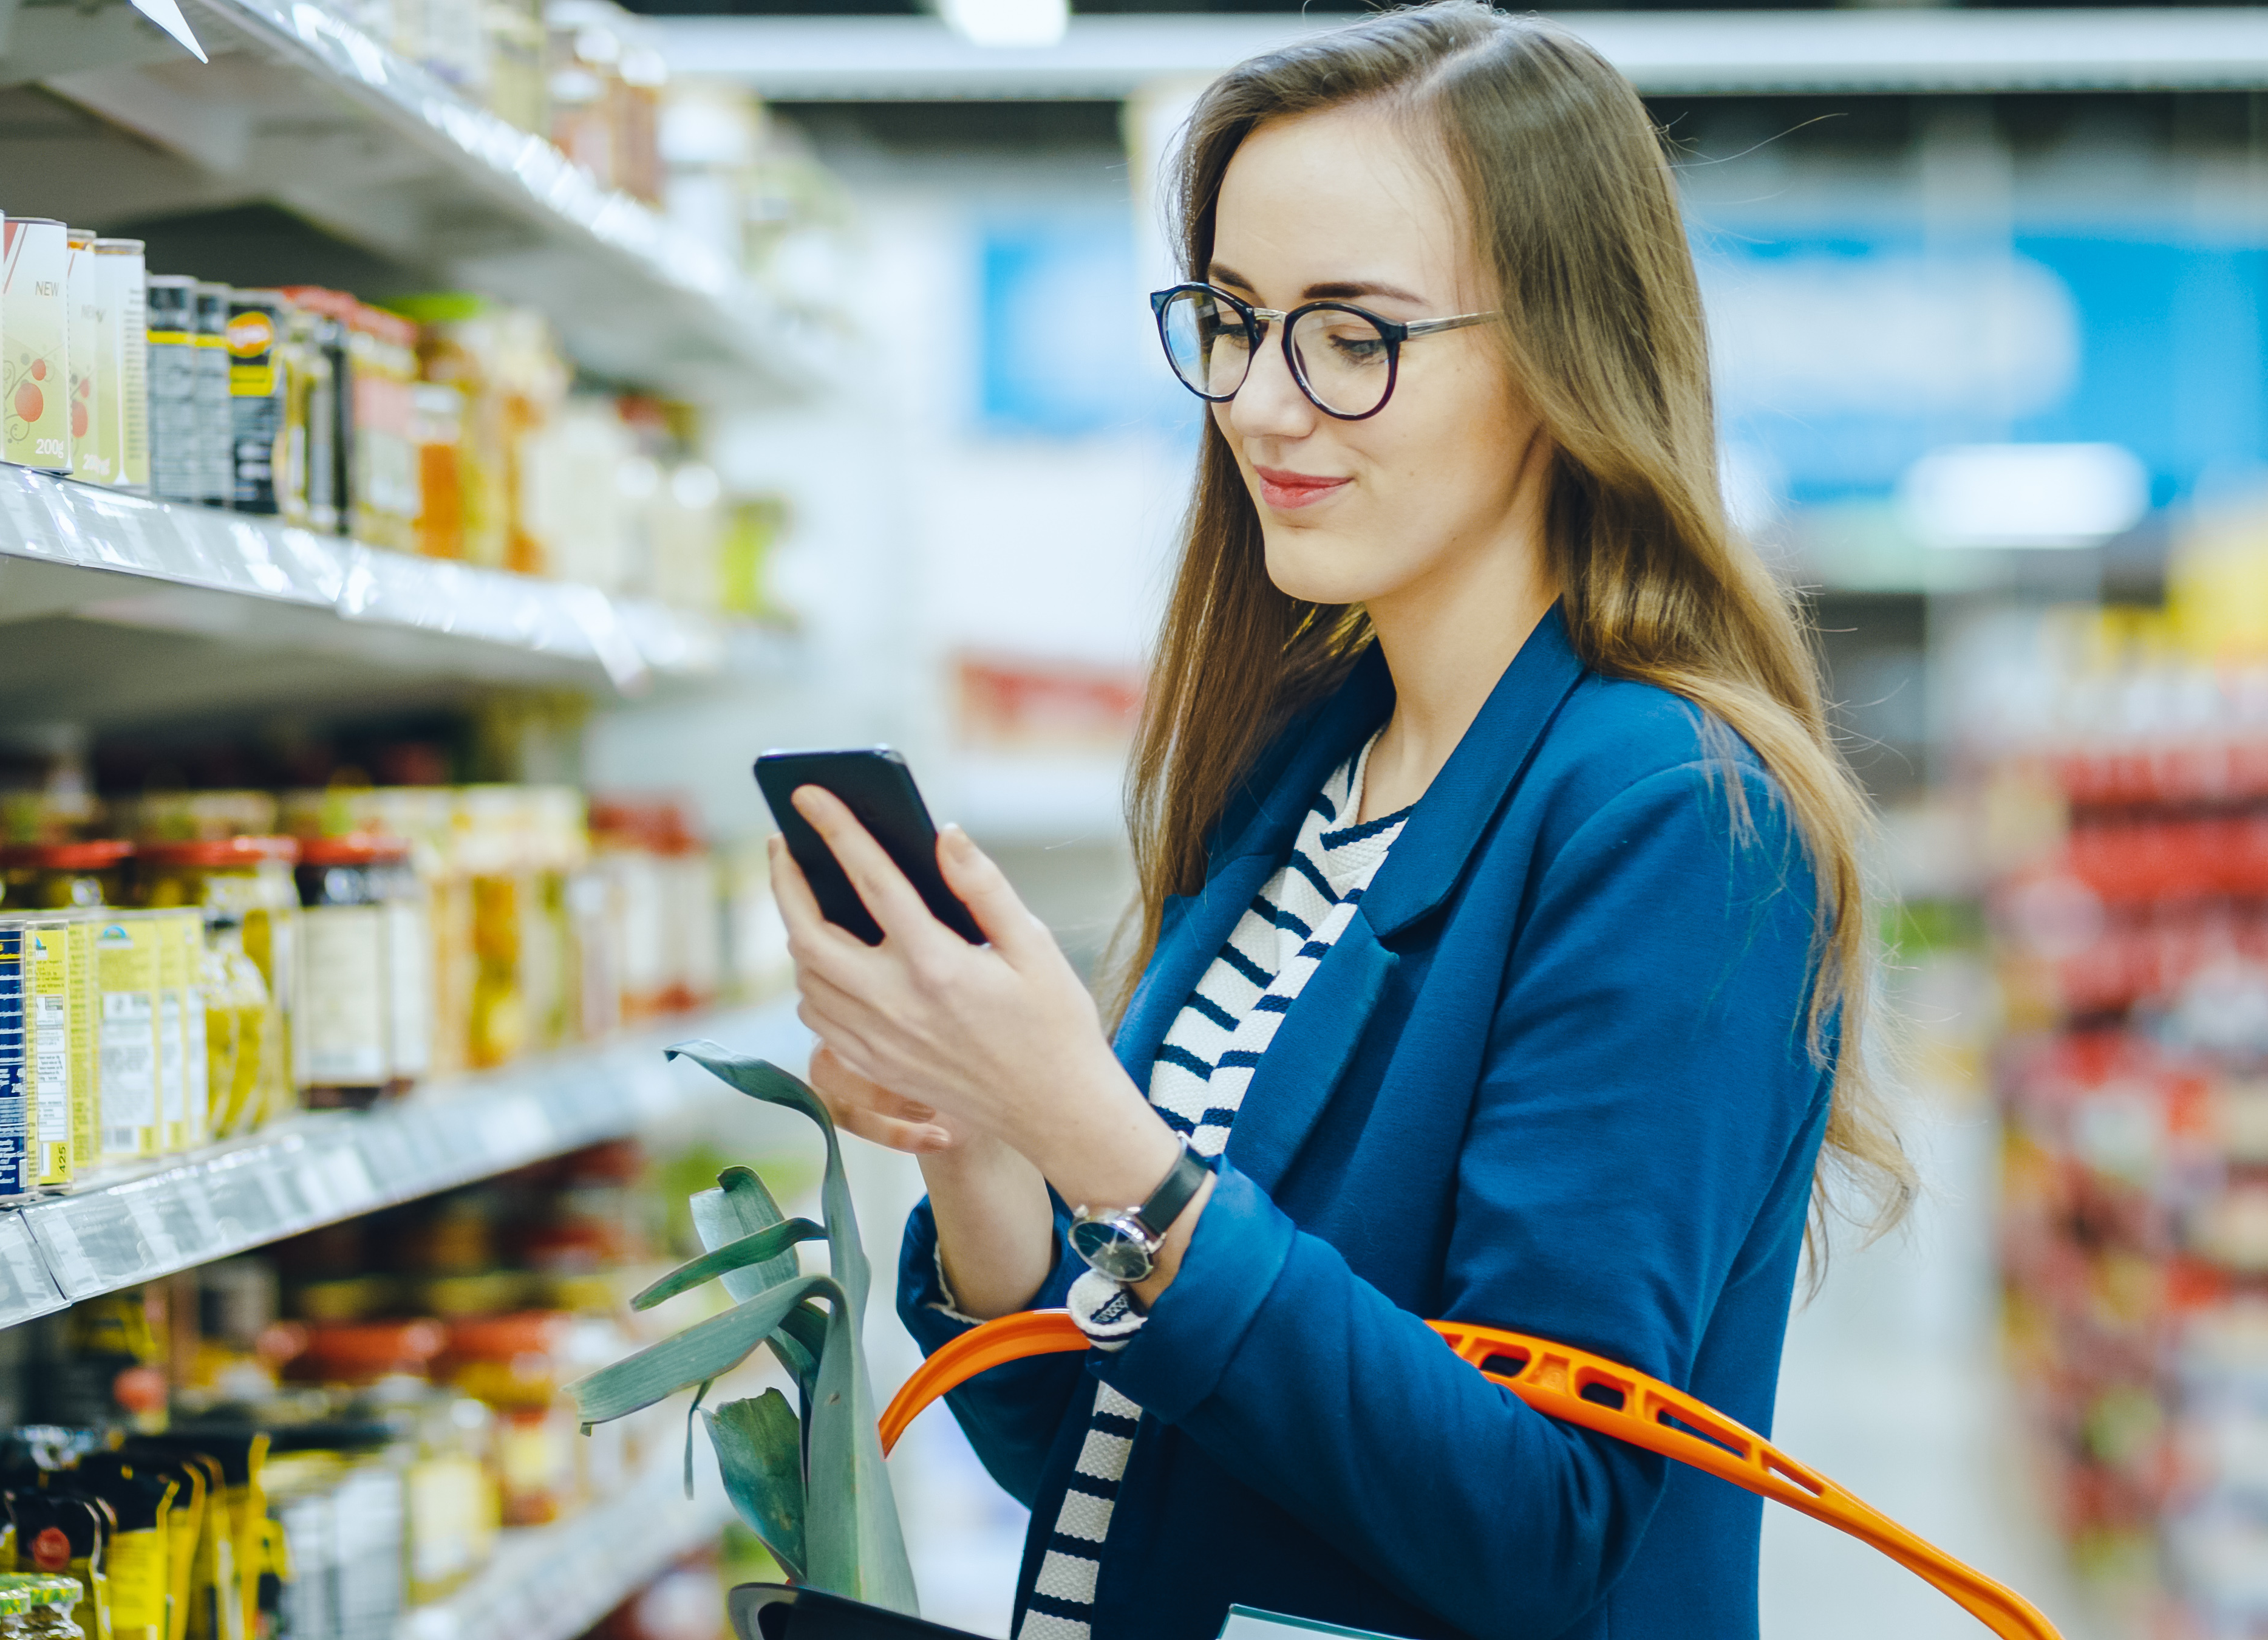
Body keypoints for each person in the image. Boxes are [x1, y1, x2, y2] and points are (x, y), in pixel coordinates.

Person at [765, 6, 1915, 1637]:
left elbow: (1544, 1522)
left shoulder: (1673, 813)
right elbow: (1107, 1457)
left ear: (1561, 355)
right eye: (1233, 319)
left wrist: (1103, 1137)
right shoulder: (1293, 774)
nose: (1260, 402)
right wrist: (984, 1138)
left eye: (1353, 335)